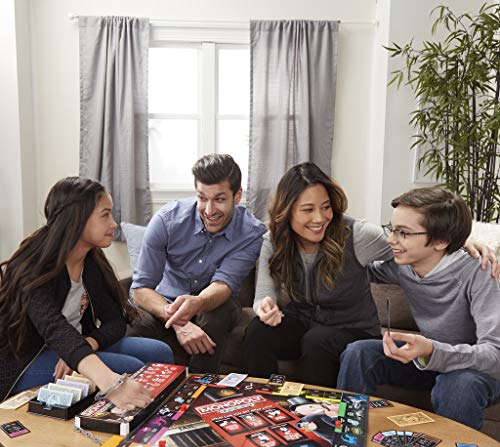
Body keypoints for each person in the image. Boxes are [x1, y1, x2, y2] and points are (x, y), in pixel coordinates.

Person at [243, 163, 498, 387]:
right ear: (287, 211)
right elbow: (264, 294)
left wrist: (460, 241)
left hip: (351, 330)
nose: (319, 218)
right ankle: (259, 406)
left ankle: (318, 416)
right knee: (258, 330)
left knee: (317, 340)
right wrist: (264, 307)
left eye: (326, 207)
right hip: (304, 321)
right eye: (307, 209)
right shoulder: (274, 240)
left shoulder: (358, 235)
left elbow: (417, 247)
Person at [0, 177, 174, 409]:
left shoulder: (91, 261)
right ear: (77, 218)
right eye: (105, 215)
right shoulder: (33, 268)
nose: (114, 224)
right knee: (129, 368)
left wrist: (88, 344)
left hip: (73, 345)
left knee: (160, 353)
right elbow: (54, 329)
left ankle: (160, 417)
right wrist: (110, 383)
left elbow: (116, 321)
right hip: (26, 360)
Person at [337, 187, 500, 430]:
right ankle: (347, 436)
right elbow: (357, 270)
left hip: (478, 370)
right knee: (358, 352)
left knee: (458, 386)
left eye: (403, 233)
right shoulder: (403, 266)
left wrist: (433, 350)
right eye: (392, 229)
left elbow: (494, 355)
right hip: (430, 358)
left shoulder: (479, 272)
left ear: (440, 241)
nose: (391, 240)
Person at [128, 154, 266, 372]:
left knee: (217, 315)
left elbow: (223, 284)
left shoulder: (251, 233)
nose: (209, 210)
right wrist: (177, 320)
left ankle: (200, 386)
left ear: (237, 196)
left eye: (219, 199)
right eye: (202, 198)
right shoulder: (166, 220)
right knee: (135, 327)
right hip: (165, 303)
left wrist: (198, 302)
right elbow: (140, 289)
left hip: (214, 303)